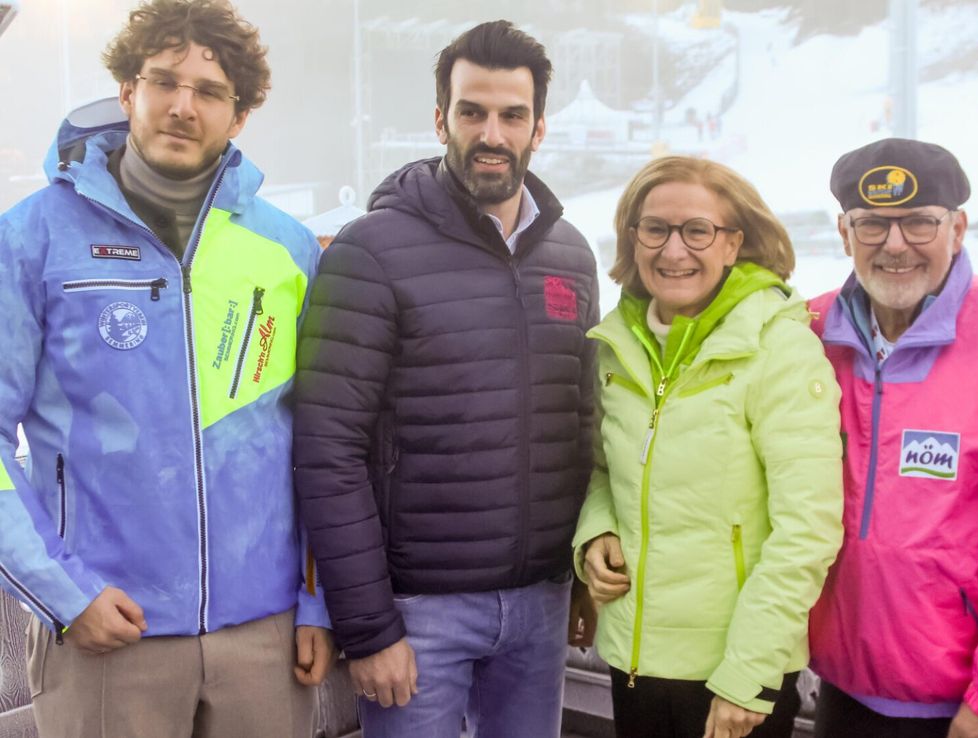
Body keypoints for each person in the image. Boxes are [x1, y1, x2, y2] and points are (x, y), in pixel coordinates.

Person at [0, 1, 333, 735]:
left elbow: (320, 443)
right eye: (163, 82)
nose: (184, 107)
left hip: (263, 634)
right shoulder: (33, 238)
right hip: (105, 629)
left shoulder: (285, 248)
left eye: (211, 92)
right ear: (127, 92)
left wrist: (319, 602)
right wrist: (62, 593)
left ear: (239, 115)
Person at [293, 20, 598, 738]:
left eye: (511, 115)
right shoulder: (373, 250)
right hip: (418, 612)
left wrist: (579, 574)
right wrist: (368, 627)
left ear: (538, 127)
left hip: (541, 605)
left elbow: (582, 426)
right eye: (472, 112)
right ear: (441, 120)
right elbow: (326, 448)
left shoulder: (571, 256)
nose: (491, 133)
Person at [806, 138, 978, 738]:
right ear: (844, 232)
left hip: (964, 706)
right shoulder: (809, 334)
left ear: (957, 229)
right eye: (873, 225)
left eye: (919, 223)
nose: (895, 244)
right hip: (840, 686)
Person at [573, 155, 843, 738]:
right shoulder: (618, 346)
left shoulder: (780, 350)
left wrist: (750, 672)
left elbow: (808, 530)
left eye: (697, 230)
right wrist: (594, 534)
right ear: (633, 238)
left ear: (733, 243)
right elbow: (603, 471)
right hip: (635, 657)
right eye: (655, 229)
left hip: (730, 672)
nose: (674, 251)